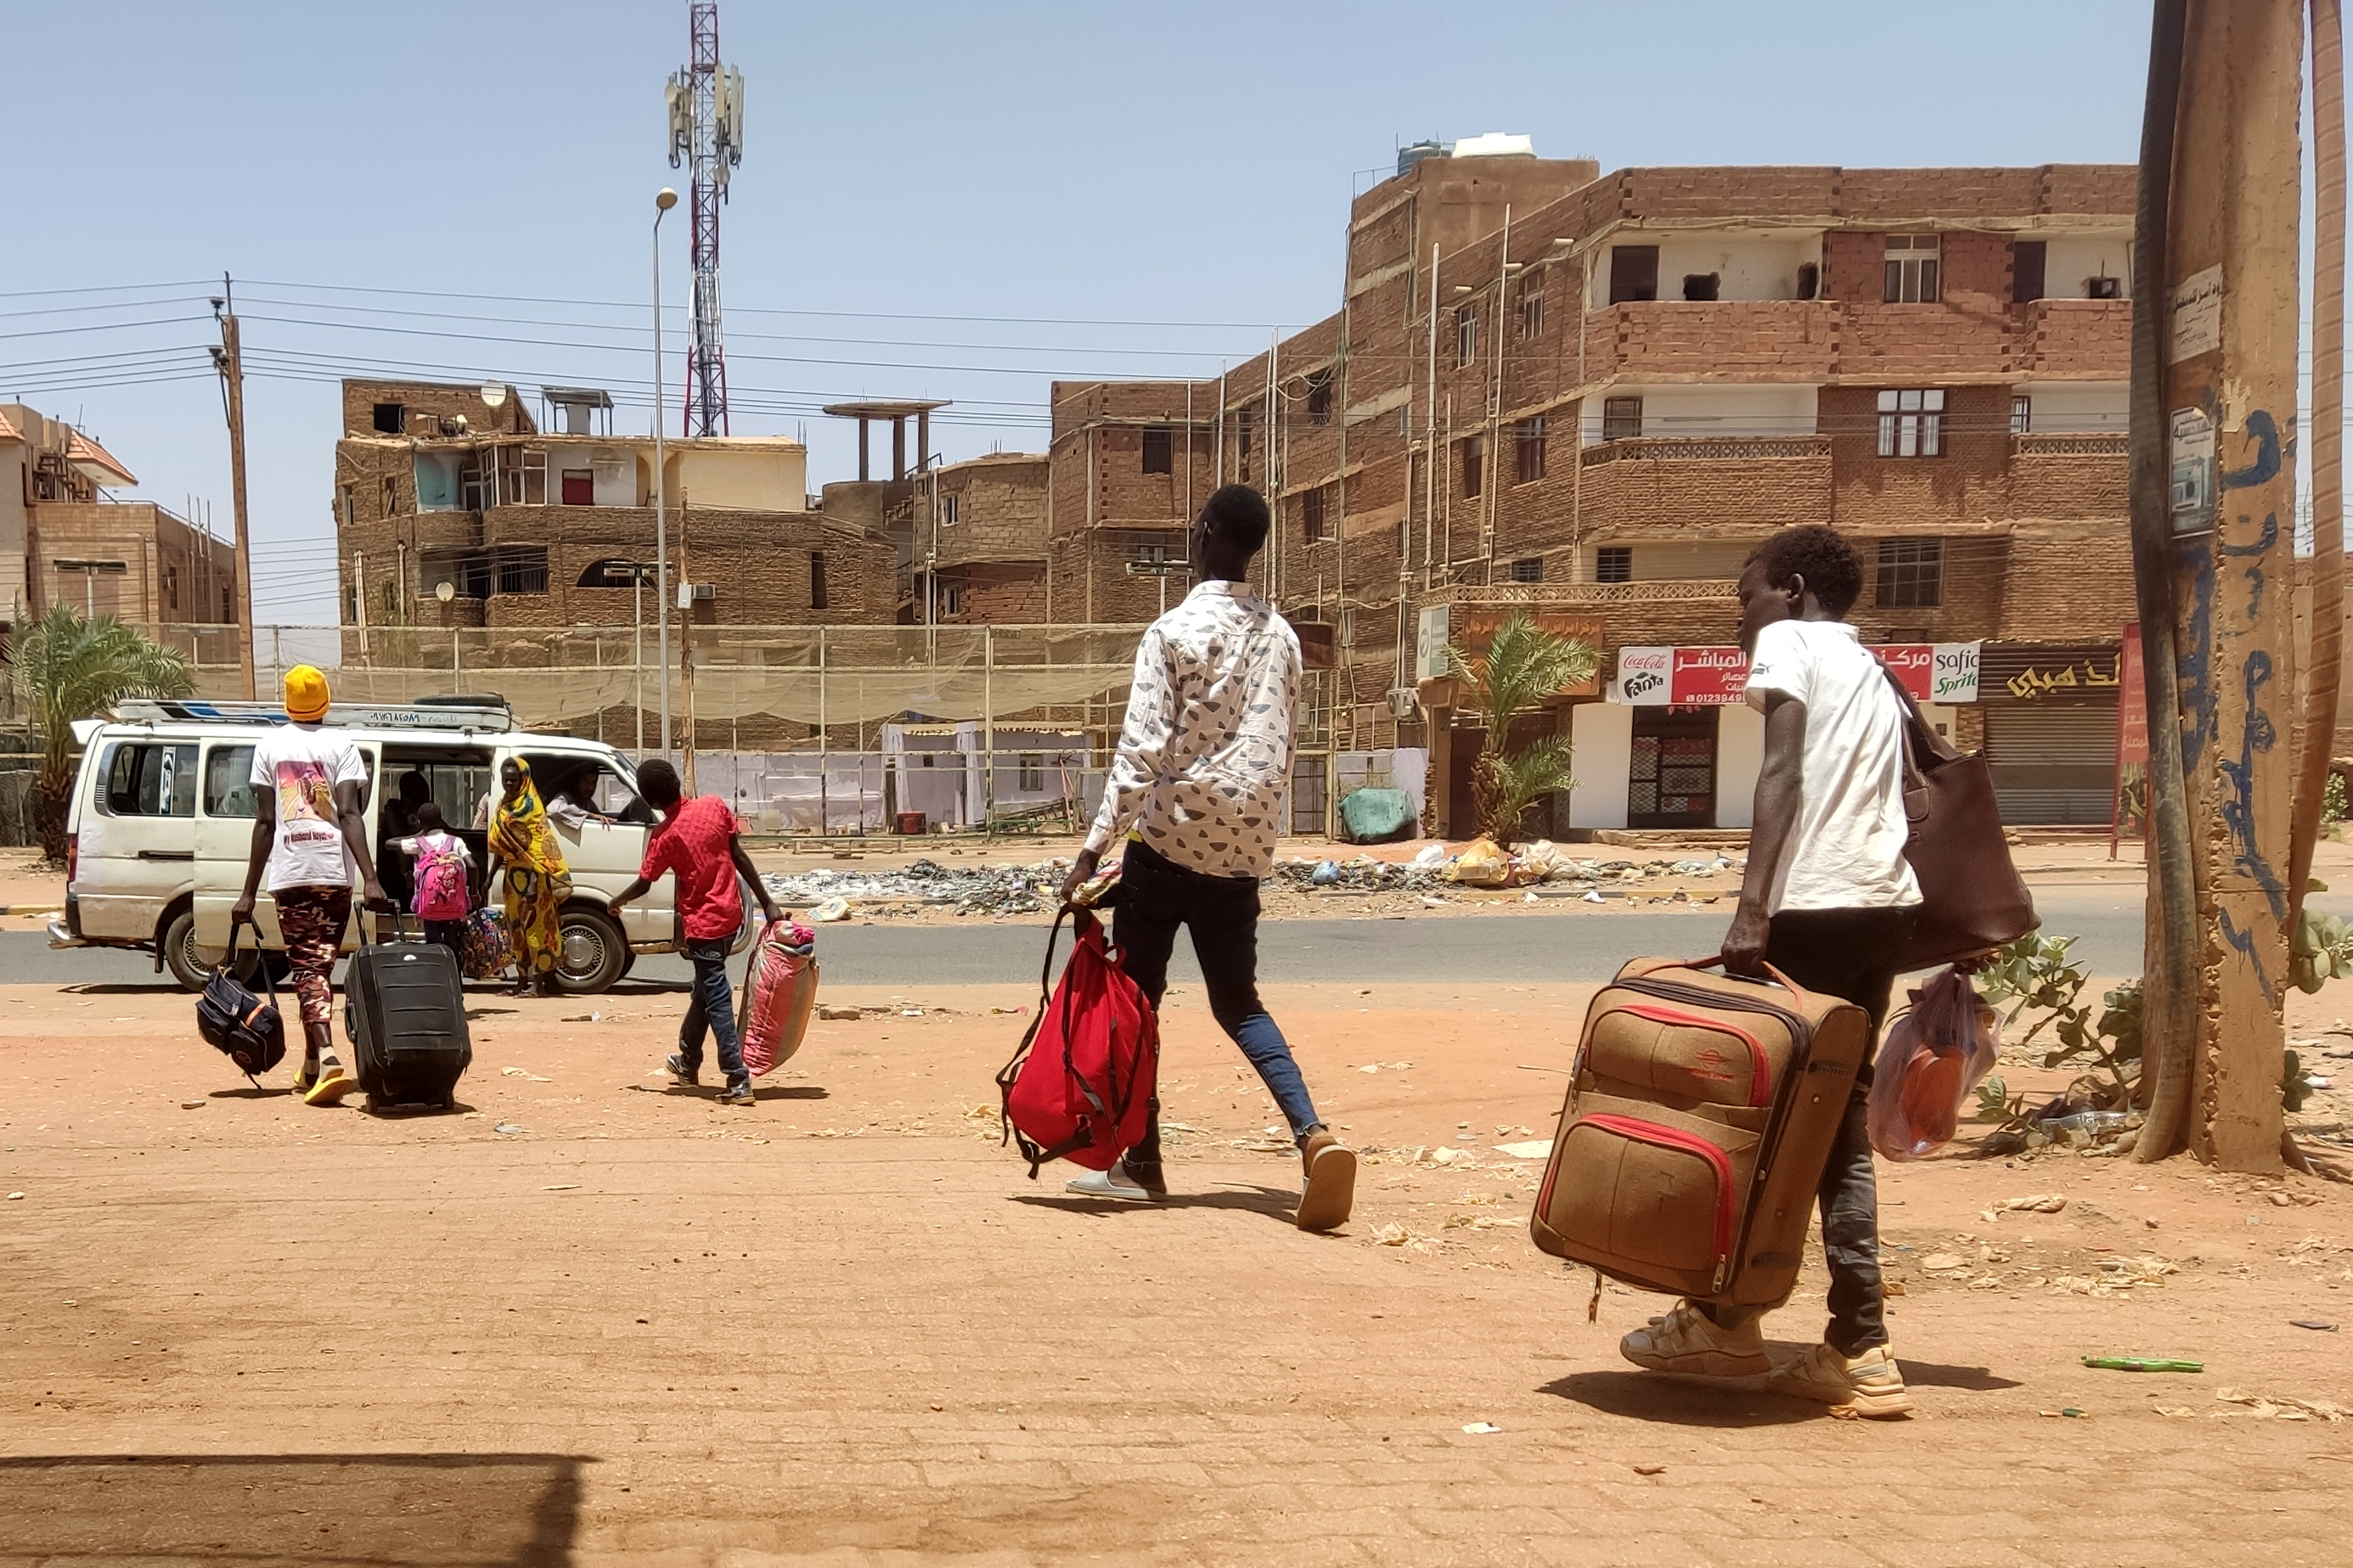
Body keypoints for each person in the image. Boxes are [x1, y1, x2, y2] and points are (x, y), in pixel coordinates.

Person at [1617, 524, 1922, 1419]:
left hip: (1812, 908)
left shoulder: (1792, 642)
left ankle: (1724, 1320)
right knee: (1833, 1129)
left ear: (1791, 589)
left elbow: (1779, 772)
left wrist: (1751, 907)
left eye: (1744, 596)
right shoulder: (1874, 669)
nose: (1739, 615)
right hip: (1881, 907)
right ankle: (1855, 1345)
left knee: (1758, 1121)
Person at [1056, 483, 1355, 1233]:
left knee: (1138, 1006)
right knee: (1238, 1003)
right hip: (1242, 854)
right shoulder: (1281, 637)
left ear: (1203, 533)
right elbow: (1278, 740)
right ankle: (1310, 1132)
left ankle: (1143, 1164)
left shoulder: (1172, 631)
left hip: (1164, 844)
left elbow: (1140, 749)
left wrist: (1092, 849)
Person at [229, 664, 391, 1105]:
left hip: (293, 875)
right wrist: (371, 879)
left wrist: (248, 891)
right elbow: (350, 814)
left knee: (307, 970)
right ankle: (311, 1067)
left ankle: (328, 1055)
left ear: (288, 703)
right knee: (317, 969)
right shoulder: (343, 744)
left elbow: (265, 821)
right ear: (325, 700)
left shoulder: (269, 746)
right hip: (335, 876)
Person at [608, 758, 781, 1107]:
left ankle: (737, 1076)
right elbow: (739, 857)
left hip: (703, 926)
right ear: (676, 779)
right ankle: (688, 1060)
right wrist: (768, 903)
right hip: (731, 918)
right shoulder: (714, 807)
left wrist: (616, 901)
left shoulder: (665, 836)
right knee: (704, 990)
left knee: (716, 998)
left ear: (650, 801)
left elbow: (645, 883)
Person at [486, 757, 571, 997]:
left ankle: (538, 985)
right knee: (517, 930)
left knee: (536, 930)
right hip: (513, 879)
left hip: (534, 881)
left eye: (514, 779)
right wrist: (490, 877)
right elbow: (502, 848)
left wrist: (533, 883)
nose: (509, 783)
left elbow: (538, 849)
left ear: (524, 778)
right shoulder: (504, 806)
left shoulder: (531, 808)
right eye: (506, 779)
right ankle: (521, 981)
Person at [394, 801, 475, 958]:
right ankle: (455, 979)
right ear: (441, 820)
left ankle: (437, 977)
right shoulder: (455, 841)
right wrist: (475, 892)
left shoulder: (419, 844)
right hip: (453, 906)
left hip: (429, 905)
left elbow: (389, 843)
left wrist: (418, 835)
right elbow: (472, 866)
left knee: (433, 944)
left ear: (419, 821)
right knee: (453, 942)